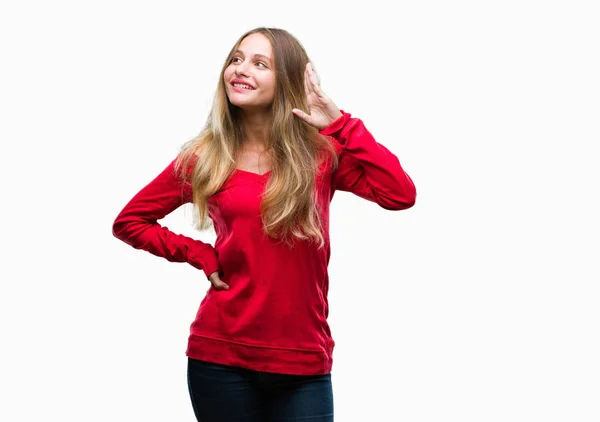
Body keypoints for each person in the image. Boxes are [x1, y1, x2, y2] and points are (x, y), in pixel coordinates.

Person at [112, 26, 416, 422]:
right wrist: (200, 253)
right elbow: (130, 221)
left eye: (260, 64)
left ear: (287, 80)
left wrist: (340, 123)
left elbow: (399, 195)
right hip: (220, 356)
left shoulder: (323, 154)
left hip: (303, 361)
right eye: (236, 59)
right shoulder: (204, 157)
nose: (240, 69)